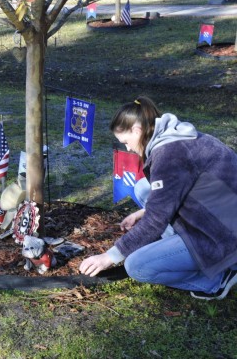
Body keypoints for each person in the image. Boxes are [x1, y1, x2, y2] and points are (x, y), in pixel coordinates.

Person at [79, 96, 237, 300]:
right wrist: (144, 211)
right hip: (222, 213)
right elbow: (183, 188)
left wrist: (109, 256)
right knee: (143, 187)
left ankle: (217, 280)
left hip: (222, 234)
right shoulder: (178, 136)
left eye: (126, 142)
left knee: (136, 265)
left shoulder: (169, 155)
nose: (127, 148)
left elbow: (156, 221)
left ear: (137, 130)